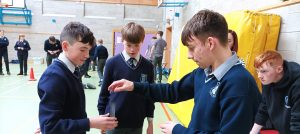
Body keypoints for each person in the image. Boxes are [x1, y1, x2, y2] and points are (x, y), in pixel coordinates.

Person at [108, 10, 261, 134]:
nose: (188, 55)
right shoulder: (203, 73)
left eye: (192, 48)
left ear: (210, 43)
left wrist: (178, 130)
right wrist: (134, 86)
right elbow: (172, 91)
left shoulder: (240, 85)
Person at [37, 22, 118, 134]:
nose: (87, 55)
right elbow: (50, 127)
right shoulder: (54, 77)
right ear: (65, 46)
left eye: (88, 50)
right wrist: (91, 123)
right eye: (82, 49)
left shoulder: (72, 70)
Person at [98, 22, 155, 134]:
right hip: (113, 120)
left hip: (137, 121)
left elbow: (150, 96)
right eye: (128, 45)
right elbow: (104, 92)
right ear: (122, 41)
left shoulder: (148, 66)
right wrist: (101, 118)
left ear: (142, 42)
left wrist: (150, 122)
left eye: (136, 45)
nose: (132, 49)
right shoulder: (111, 63)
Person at [250, 50, 300, 134]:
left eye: (263, 71)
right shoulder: (268, 80)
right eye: (257, 71)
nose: (259, 76)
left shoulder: (297, 85)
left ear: (279, 69)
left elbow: (298, 122)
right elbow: (264, 108)